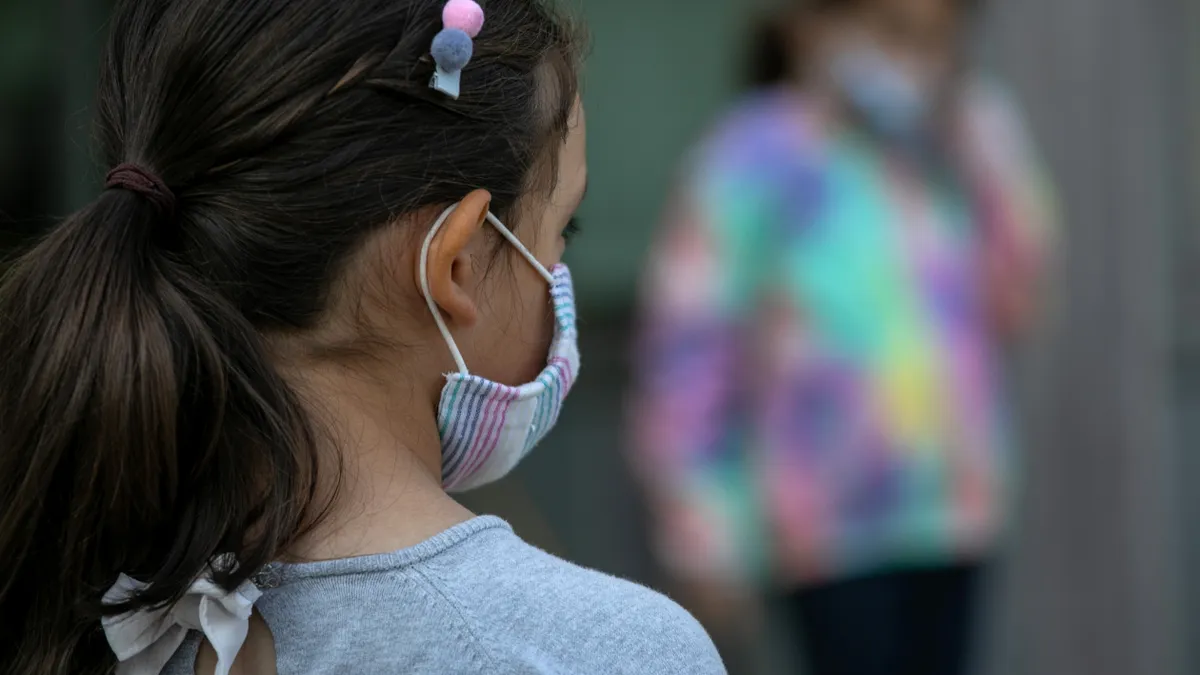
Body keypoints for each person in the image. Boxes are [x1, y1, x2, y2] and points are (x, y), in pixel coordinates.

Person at [0, 1, 728, 674]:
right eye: (560, 227)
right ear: (456, 263)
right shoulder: (603, 652)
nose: (557, 269)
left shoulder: (95, 603)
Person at [626, 0, 1056, 674]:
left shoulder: (947, 146)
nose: (916, 60)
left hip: (955, 512)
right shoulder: (753, 153)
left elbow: (1019, 297)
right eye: (893, 33)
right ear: (806, 25)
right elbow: (690, 351)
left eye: (938, 40)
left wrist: (985, 143)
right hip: (829, 526)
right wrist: (701, 526)